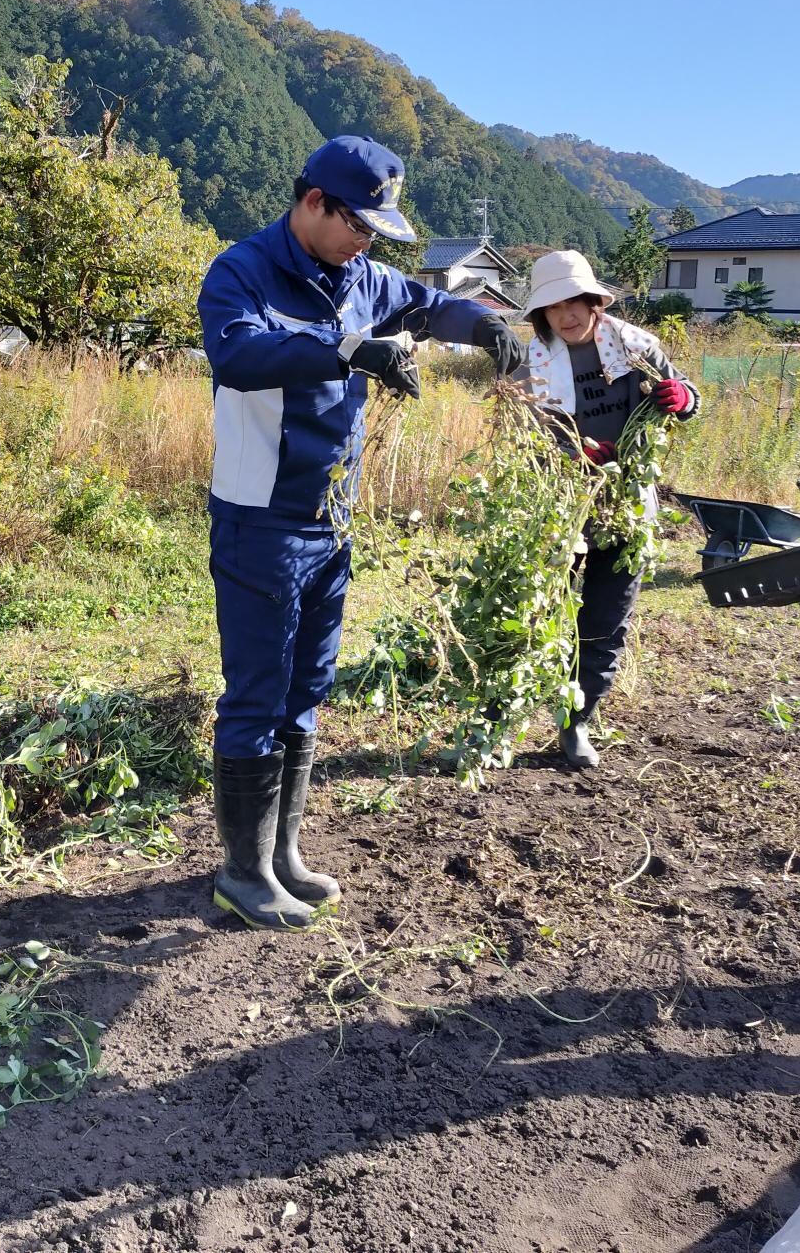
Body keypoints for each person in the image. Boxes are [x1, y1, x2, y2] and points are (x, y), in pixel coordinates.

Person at [198, 136, 523, 930]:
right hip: (260, 515)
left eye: (379, 233)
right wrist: (349, 347)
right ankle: (241, 872)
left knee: (307, 688)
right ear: (315, 203)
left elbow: (426, 302)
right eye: (360, 225)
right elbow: (237, 354)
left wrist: (484, 325)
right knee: (257, 694)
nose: (368, 243)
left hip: (331, 515)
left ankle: (282, 853)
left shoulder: (364, 277)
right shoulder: (240, 271)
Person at [520, 249, 699, 769]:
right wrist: (569, 452)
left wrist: (681, 398)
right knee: (542, 614)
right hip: (560, 506)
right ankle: (511, 710)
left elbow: (689, 398)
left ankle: (577, 724)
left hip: (627, 507)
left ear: (595, 302)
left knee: (606, 619)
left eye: (577, 302)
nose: (568, 315)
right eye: (555, 307)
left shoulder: (638, 347)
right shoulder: (530, 362)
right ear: (543, 315)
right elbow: (523, 434)